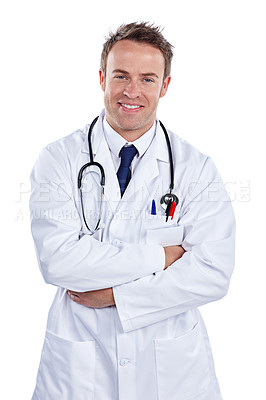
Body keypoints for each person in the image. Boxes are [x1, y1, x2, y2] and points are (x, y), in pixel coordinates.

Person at [30, 22, 235, 400]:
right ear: (101, 78)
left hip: (171, 369)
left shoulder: (196, 169)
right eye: (121, 75)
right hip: (79, 362)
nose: (132, 91)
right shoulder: (58, 160)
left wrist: (116, 298)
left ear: (165, 86)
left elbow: (213, 272)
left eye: (147, 78)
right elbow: (59, 262)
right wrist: (164, 257)